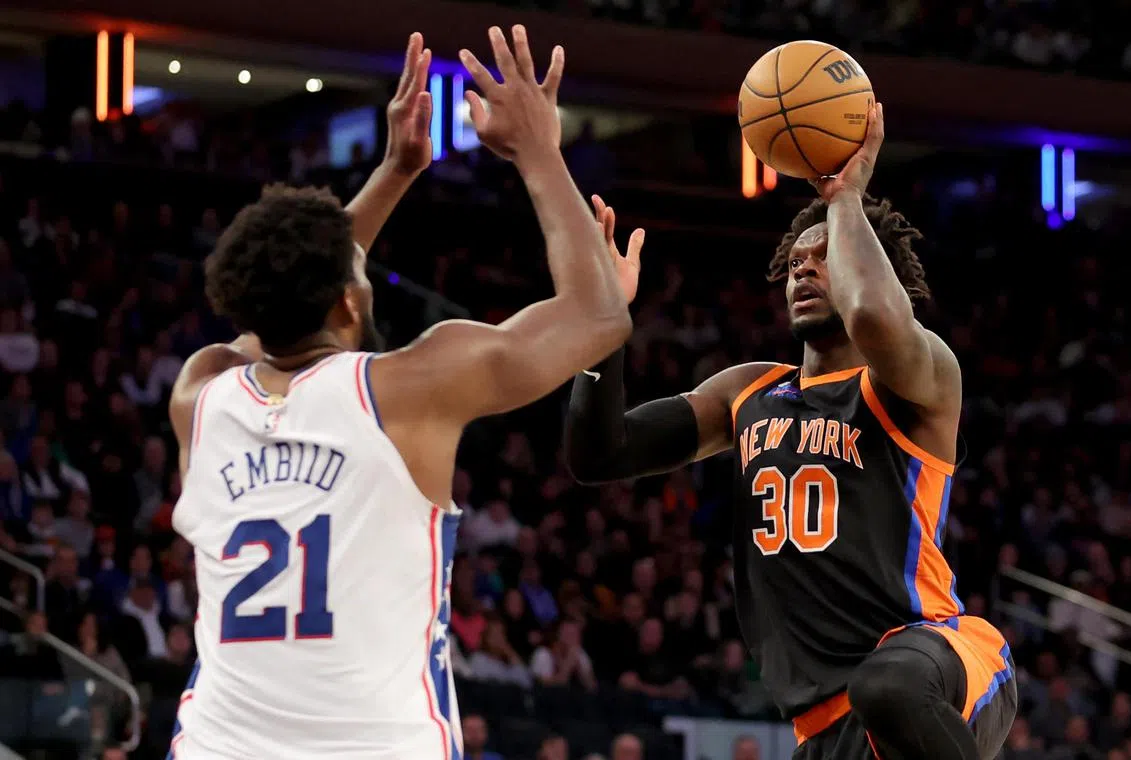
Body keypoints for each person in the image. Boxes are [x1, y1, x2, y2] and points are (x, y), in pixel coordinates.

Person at [165, 28, 630, 760]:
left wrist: (394, 171)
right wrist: (538, 147)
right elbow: (598, 317)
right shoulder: (408, 389)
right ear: (348, 306)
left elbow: (279, 303)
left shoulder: (201, 393)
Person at [564, 103, 1016, 760]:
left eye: (826, 256)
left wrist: (846, 199)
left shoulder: (919, 378)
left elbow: (871, 316)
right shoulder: (746, 392)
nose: (804, 269)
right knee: (874, 696)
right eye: (798, 260)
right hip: (827, 722)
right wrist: (601, 324)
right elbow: (597, 454)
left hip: (941, 661)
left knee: (887, 686)